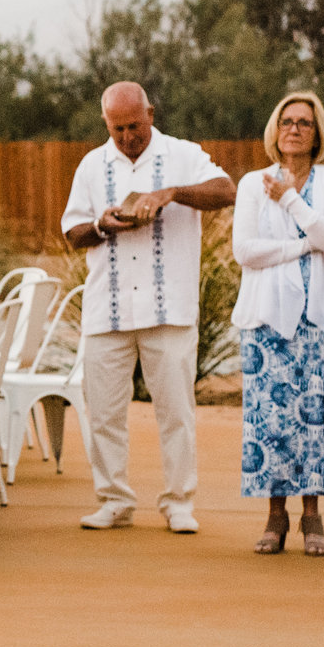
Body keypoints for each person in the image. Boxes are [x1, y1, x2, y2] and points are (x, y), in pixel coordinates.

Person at [59, 81, 237, 534]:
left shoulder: (182, 153)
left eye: (133, 127)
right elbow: (72, 231)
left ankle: (179, 502)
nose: (125, 138)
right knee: (103, 411)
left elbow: (227, 190)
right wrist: (103, 224)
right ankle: (114, 500)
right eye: (116, 129)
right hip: (108, 307)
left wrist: (170, 194)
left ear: (150, 114)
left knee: (176, 410)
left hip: (169, 306)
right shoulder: (92, 165)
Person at [231, 92, 324, 557]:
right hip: (268, 322)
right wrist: (307, 242)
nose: (295, 129)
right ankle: (274, 515)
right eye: (287, 121)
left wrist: (289, 202)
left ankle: (312, 516)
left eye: (305, 122)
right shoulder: (252, 183)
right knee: (271, 422)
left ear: (317, 131)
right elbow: (246, 250)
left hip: (320, 320)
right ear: (275, 129)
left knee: (317, 422)